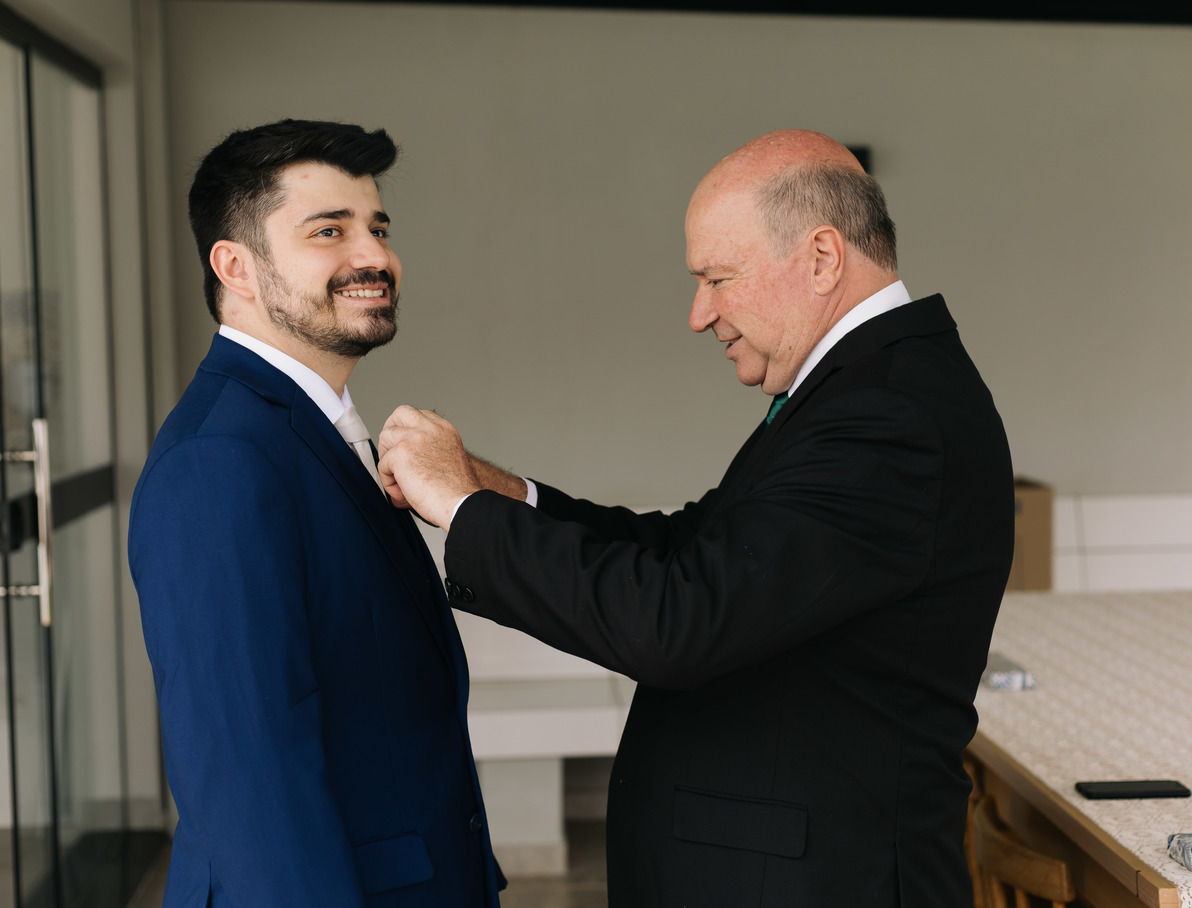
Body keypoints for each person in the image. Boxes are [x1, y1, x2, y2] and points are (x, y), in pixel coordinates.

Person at [376, 129, 1013, 907]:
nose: (699, 313)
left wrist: (462, 508)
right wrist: (498, 493)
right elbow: (692, 550)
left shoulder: (887, 412)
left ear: (822, 258)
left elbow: (681, 620)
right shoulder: (863, 388)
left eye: (717, 278)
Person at [129, 119, 503, 908]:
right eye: (328, 231)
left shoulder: (313, 429)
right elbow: (246, 778)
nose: (374, 256)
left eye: (378, 229)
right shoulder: (218, 460)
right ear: (236, 267)